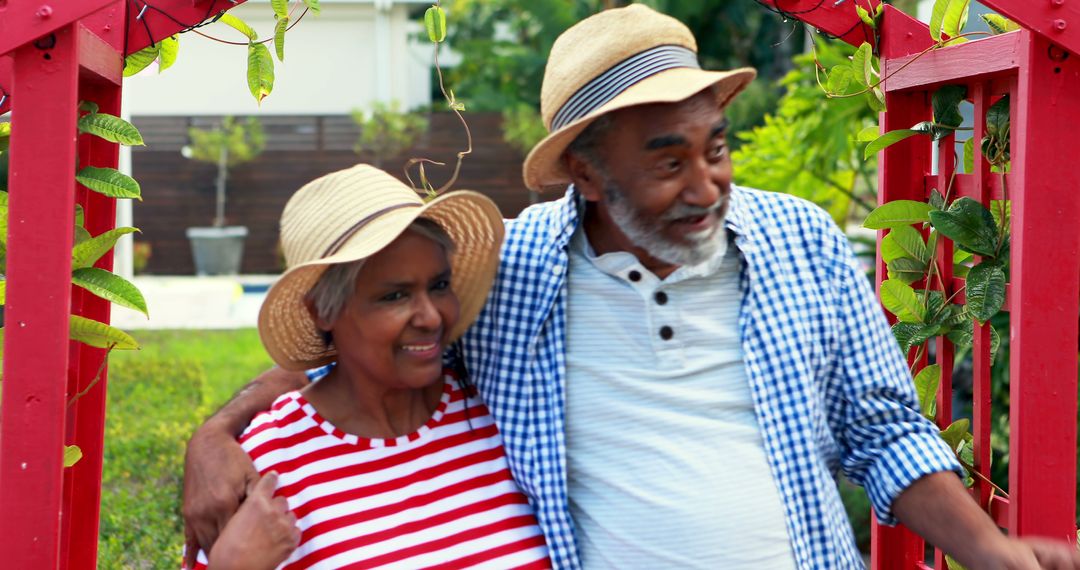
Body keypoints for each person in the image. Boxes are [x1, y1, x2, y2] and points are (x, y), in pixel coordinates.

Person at [184, 6, 1080, 569]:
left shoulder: (799, 239)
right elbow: (373, 341)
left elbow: (882, 429)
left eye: (715, 146)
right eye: (666, 161)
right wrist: (219, 432)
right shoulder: (518, 273)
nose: (706, 187)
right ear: (582, 170)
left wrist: (993, 552)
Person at [189, 164, 550, 569]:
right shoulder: (265, 466)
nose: (431, 317)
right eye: (395, 295)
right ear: (322, 311)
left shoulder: (500, 413)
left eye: (440, 285)